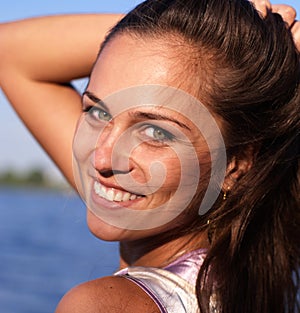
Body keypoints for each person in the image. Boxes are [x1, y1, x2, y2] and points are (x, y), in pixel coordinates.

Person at [0, 0, 299, 312]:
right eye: (98, 111)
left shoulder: (102, 305)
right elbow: (8, 52)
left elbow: (10, 50)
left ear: (234, 165)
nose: (102, 160)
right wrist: (231, 40)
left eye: (156, 133)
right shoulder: (256, 266)